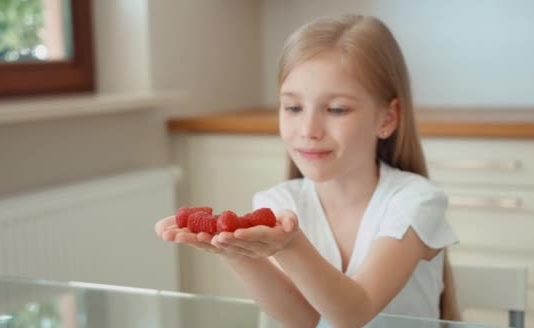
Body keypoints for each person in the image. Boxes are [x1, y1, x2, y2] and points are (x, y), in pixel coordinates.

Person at [156, 14, 460, 328]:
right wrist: (238, 253)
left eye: (336, 109)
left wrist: (291, 246)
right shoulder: (279, 202)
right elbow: (305, 320)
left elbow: (354, 312)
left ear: (386, 118)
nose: (309, 129)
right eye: (293, 108)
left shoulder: (414, 203)